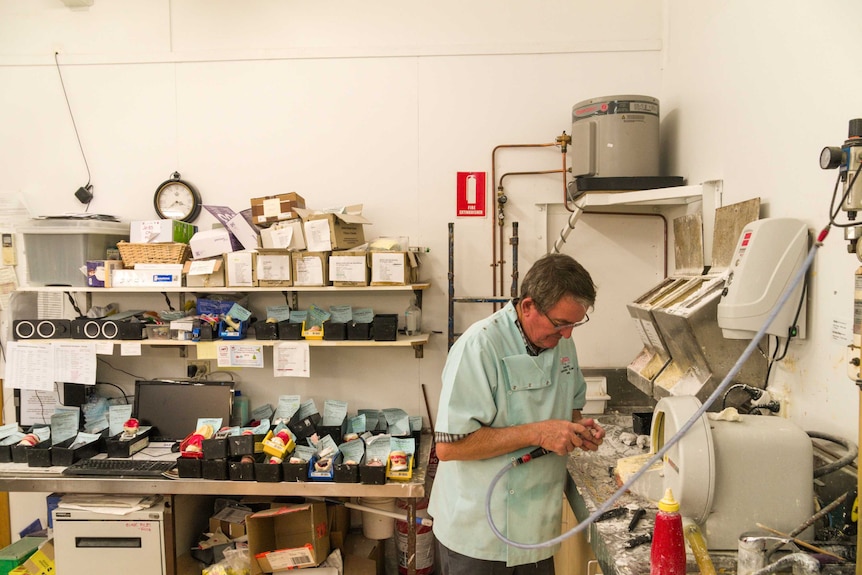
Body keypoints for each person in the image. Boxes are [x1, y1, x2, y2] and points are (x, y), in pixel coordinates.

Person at [428, 252, 606, 574]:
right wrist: (540, 432)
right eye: (561, 323)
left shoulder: (562, 343)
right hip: (479, 531)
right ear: (528, 307)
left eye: (575, 324)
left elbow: (570, 407)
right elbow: (449, 446)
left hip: (536, 529)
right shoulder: (480, 347)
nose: (567, 334)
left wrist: (577, 429)